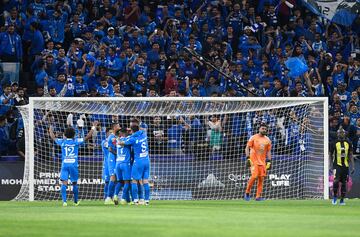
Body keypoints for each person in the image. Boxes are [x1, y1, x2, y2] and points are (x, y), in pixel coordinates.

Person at [48, 121, 98, 206]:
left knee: (64, 182)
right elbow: (88, 136)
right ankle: (75, 202)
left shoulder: (62, 142)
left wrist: (50, 131)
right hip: (73, 165)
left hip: (65, 165)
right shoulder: (76, 141)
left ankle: (64, 202)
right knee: (74, 183)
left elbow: (53, 138)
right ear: (74, 135)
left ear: (65, 134)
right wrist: (93, 127)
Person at [119, 121, 150, 205]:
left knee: (134, 181)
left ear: (132, 131)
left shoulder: (132, 138)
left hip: (138, 162)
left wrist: (120, 139)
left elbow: (121, 143)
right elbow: (139, 130)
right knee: (145, 181)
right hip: (146, 160)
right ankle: (146, 201)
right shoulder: (143, 134)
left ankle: (135, 200)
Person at [244, 123, 272, 201]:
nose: (264, 130)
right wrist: (248, 158)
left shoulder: (268, 140)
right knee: (254, 176)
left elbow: (269, 151)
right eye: (262, 128)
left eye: (265, 129)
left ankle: (258, 196)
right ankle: (247, 193)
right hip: (254, 161)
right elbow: (247, 148)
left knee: (261, 179)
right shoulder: (253, 137)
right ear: (259, 129)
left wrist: (269, 161)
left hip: (262, 162)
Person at [330, 127, 355, 205]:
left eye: (343, 132)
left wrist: (353, 166)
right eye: (340, 132)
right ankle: (334, 198)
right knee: (336, 181)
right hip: (336, 165)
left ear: (345, 134)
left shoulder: (348, 143)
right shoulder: (333, 143)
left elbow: (350, 154)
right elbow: (330, 155)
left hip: (345, 166)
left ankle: (342, 200)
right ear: (337, 134)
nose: (341, 133)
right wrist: (330, 166)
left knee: (344, 182)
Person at [114, 128, 132, 205]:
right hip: (125, 163)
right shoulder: (127, 140)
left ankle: (115, 195)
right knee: (127, 182)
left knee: (119, 181)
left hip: (118, 163)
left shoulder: (118, 140)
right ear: (125, 133)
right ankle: (123, 199)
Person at [104, 122, 120, 204]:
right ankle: (108, 198)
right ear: (114, 127)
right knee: (113, 177)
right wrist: (119, 154)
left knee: (117, 178)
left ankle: (113, 196)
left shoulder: (116, 137)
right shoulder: (112, 137)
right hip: (112, 159)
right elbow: (110, 149)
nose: (119, 127)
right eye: (118, 126)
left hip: (116, 158)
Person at [101, 128, 111, 200]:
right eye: (110, 133)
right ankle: (106, 197)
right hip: (107, 164)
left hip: (114, 163)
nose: (111, 134)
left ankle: (112, 196)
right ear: (107, 133)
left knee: (114, 181)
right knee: (107, 181)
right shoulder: (104, 142)